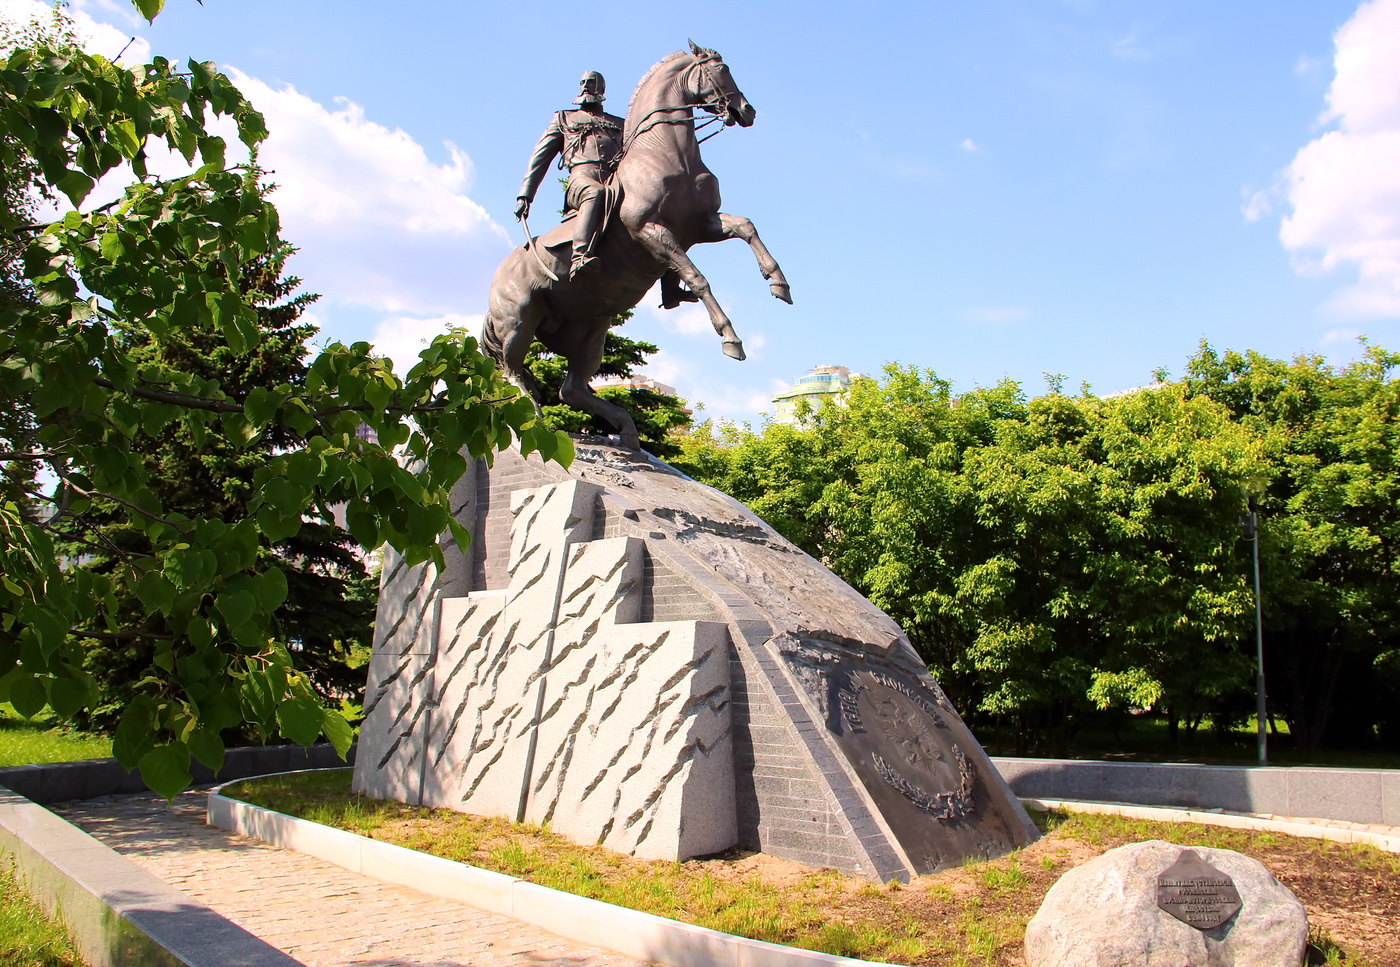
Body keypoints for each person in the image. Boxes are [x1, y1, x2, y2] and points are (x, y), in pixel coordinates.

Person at [515, 71, 623, 281]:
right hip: (580, 180)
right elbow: (540, 156)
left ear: (601, 89)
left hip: (615, 181)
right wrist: (525, 195)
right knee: (595, 191)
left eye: (590, 82)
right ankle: (580, 256)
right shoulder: (564, 118)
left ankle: (670, 286)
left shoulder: (620, 123)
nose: (585, 86)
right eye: (582, 82)